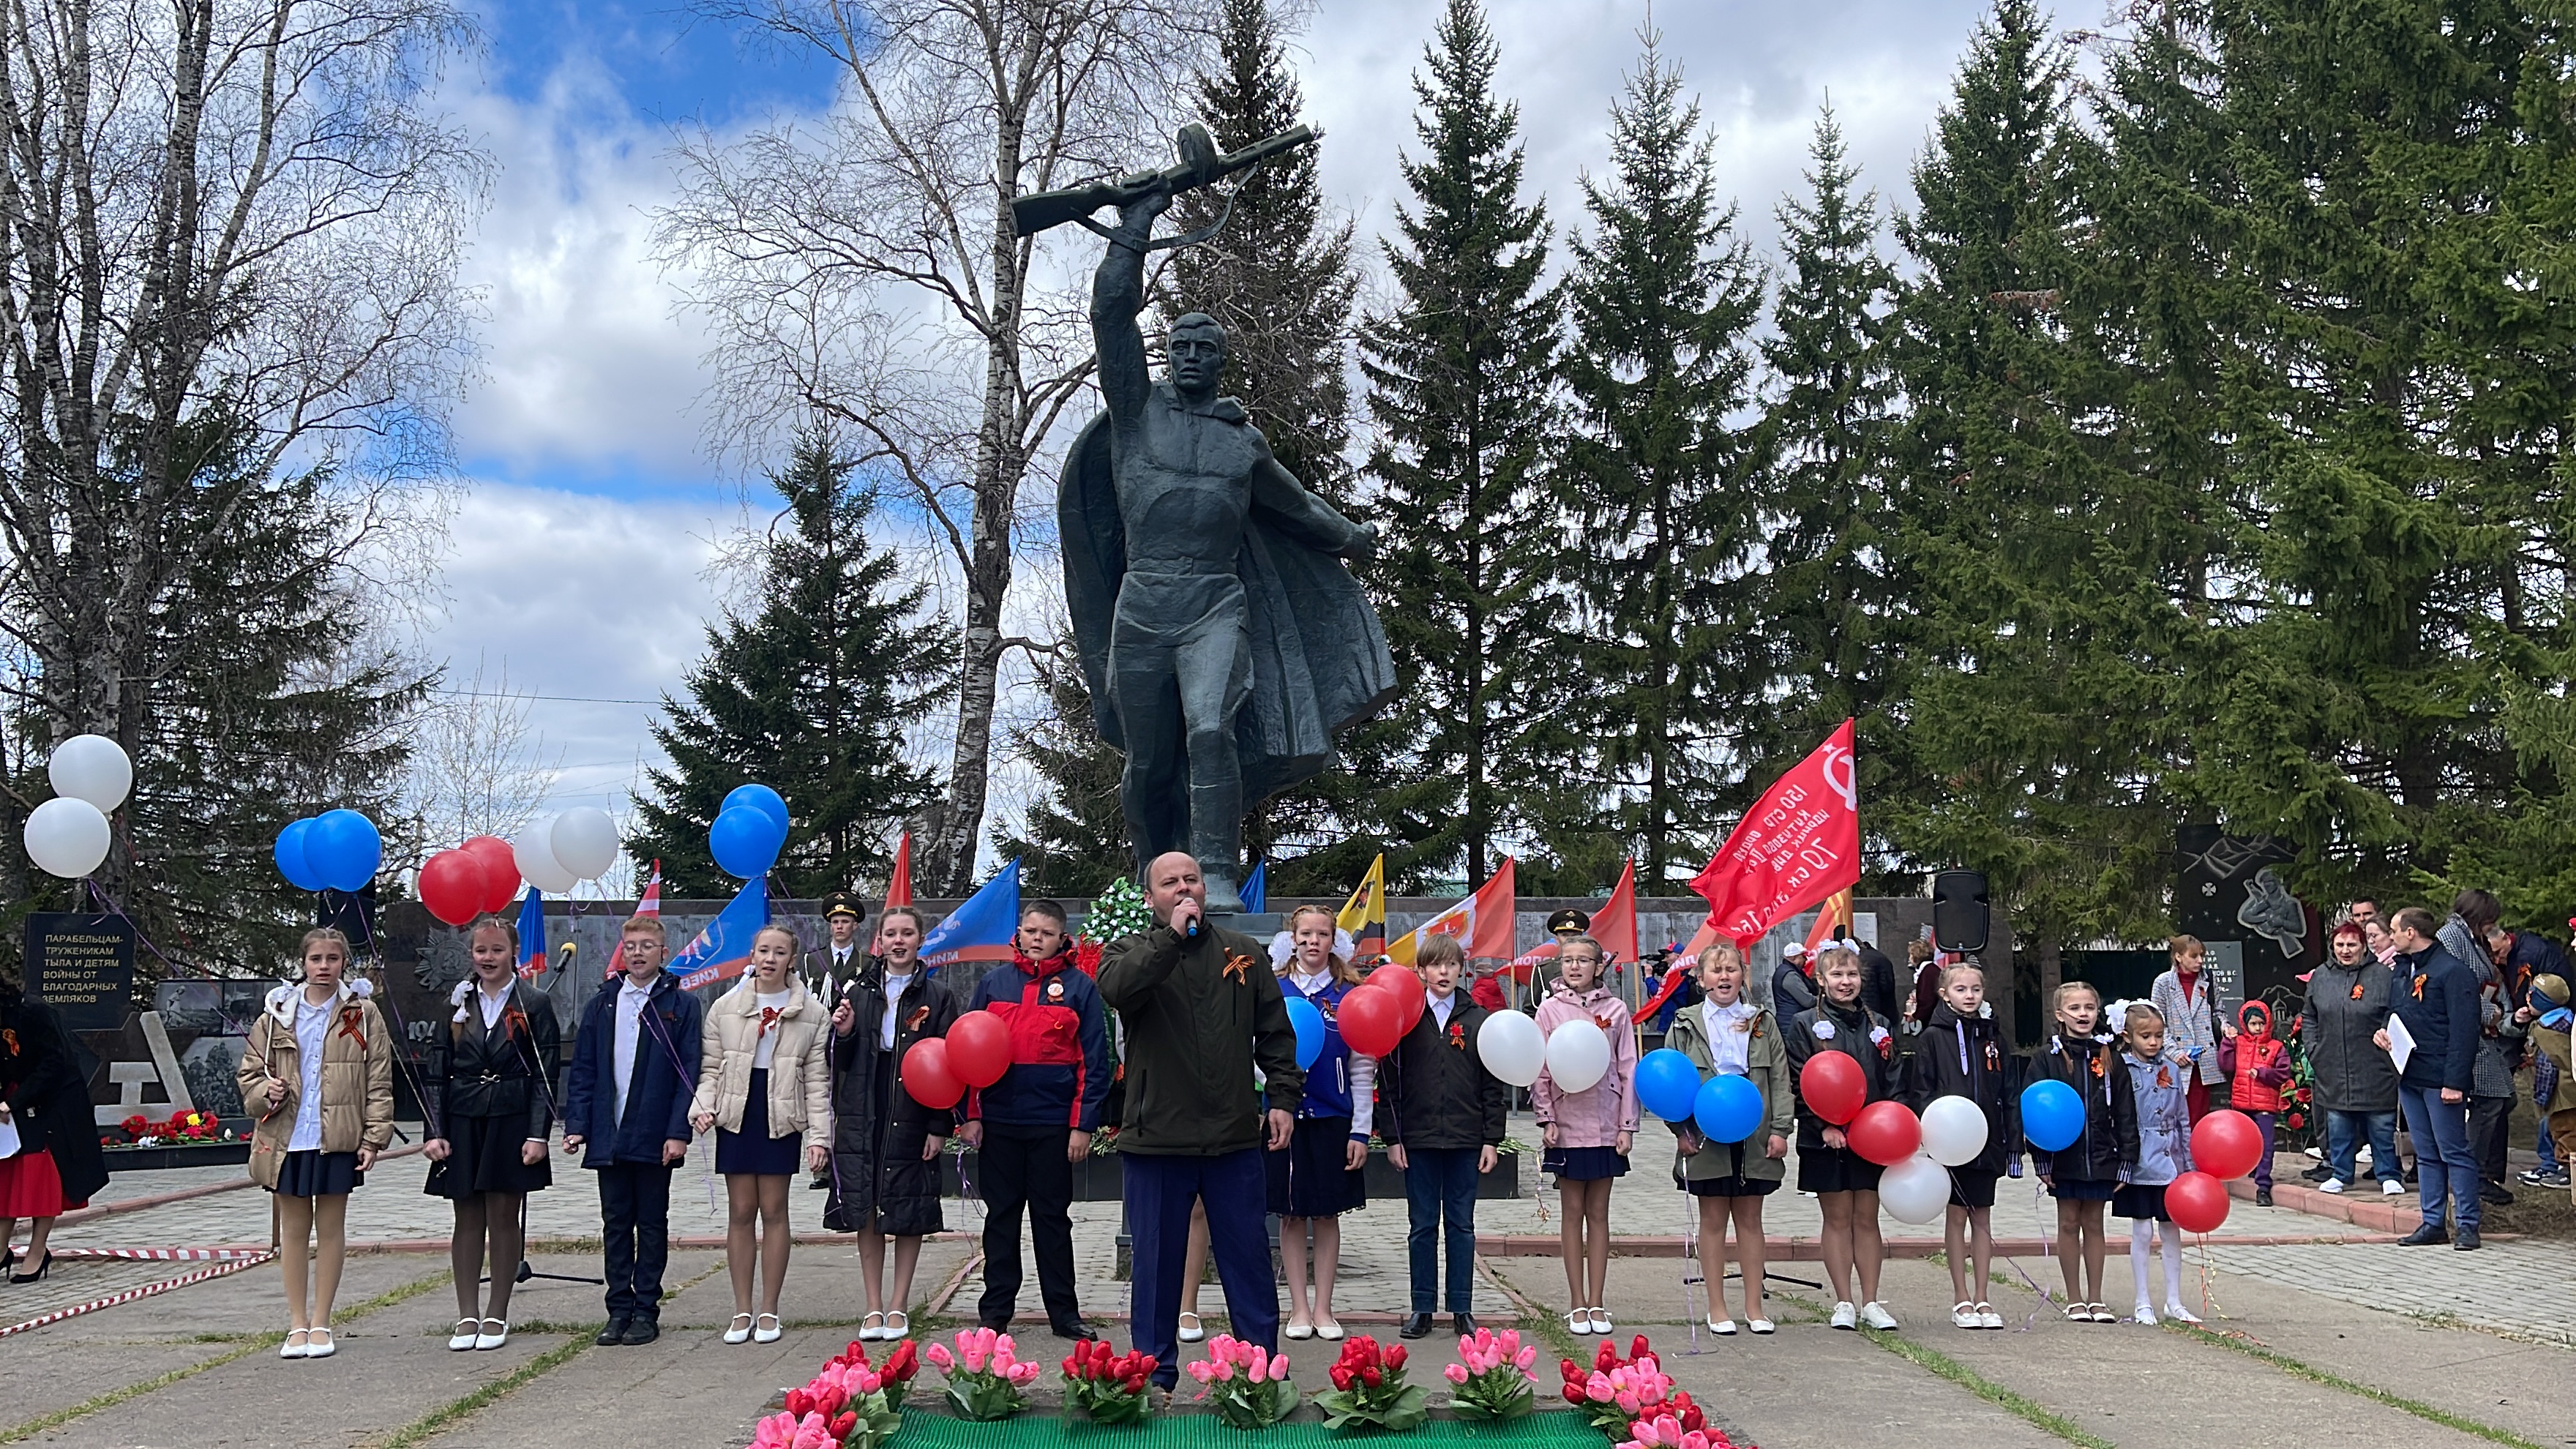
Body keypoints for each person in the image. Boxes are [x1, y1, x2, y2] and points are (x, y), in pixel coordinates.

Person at [1097, 851, 1303, 1391]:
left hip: (1233, 1139)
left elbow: (1277, 1034)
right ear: (1151, 898)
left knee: (1248, 1263)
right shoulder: (1129, 951)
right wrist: (1170, 938)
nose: (1184, 889)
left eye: (1192, 879)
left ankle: (1258, 1375)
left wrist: (1282, 1098)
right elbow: (1119, 991)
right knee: (1158, 1268)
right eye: (1170, 883)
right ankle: (1154, 1375)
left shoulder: (1243, 952)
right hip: (1157, 1141)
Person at [961, 899, 1112, 1341]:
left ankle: (1064, 1314)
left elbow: (1094, 1063)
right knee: (1001, 1218)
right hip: (999, 1125)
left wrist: (1082, 1125)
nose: (1037, 940)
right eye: (1030, 931)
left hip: (1052, 1126)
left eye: (1046, 934)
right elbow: (967, 1053)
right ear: (1019, 933)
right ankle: (995, 1313)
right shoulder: (993, 984)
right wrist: (971, 1116)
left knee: (1052, 1219)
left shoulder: (1081, 988)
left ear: (1062, 938)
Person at [238, 927, 393, 1359]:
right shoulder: (276, 1015)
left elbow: (379, 1078)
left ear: (344, 963)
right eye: (316, 959)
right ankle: (296, 1324)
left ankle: (322, 1321)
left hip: (337, 1134)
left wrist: (373, 1137)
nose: (324, 967)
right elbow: (249, 1075)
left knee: (330, 1229)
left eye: (333, 959)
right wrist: (264, 1093)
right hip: (287, 1135)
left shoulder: (362, 1014)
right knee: (292, 1231)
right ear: (302, 963)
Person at [561, 914, 701, 1347]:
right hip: (610, 1131)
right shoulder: (604, 1001)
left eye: (647, 945)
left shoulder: (680, 1005)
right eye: (631, 945)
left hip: (655, 1134)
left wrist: (678, 1132)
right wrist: (578, 1123)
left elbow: (688, 1073)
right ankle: (618, 1309)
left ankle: (646, 1310)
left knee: (651, 1222)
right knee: (615, 1222)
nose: (638, 952)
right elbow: (584, 1068)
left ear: (664, 953)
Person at [425, 916, 561, 1353]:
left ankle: (497, 1313)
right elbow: (436, 1072)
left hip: (512, 1118)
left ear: (513, 953)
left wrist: (538, 1134)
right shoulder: (456, 1002)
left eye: (497, 950)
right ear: (472, 954)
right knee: (466, 1215)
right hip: (463, 1120)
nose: (488, 958)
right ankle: (467, 1314)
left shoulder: (534, 1002)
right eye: (481, 950)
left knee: (503, 1215)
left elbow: (545, 1075)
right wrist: (435, 1130)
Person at [694, 924, 834, 1343]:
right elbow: (710, 1068)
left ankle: (770, 1310)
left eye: (779, 952)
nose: (770, 959)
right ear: (751, 956)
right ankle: (741, 1310)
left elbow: (817, 1081)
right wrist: (703, 1107)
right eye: (762, 951)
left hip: (780, 1111)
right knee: (741, 1210)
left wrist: (819, 1138)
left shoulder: (813, 1013)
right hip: (740, 1109)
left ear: (792, 958)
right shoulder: (725, 1007)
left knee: (774, 1209)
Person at [826, 905, 955, 1342]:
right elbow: (837, 1063)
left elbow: (950, 1065)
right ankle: (873, 1306)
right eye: (891, 934)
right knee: (866, 1204)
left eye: (907, 933)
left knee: (907, 1205)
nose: (899, 942)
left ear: (921, 940)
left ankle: (899, 1305)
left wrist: (939, 1126)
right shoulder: (858, 991)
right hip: (866, 1106)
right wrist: (842, 1033)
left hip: (913, 1108)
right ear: (878, 942)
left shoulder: (937, 996)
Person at [1379, 933, 1508, 1341]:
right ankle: (1421, 1307)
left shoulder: (1477, 1019)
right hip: (1417, 1139)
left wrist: (1492, 1138)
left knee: (1461, 1225)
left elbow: (1493, 1084)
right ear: (1421, 971)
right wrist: (1393, 1137)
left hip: (1465, 1139)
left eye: (1451, 965)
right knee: (1421, 1226)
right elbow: (1390, 1081)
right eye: (1435, 965)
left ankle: (1462, 1307)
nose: (1443, 972)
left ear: (1461, 970)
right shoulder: (1406, 1017)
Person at [1665, 942, 1788, 1335]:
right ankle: (1717, 1307)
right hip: (1704, 1134)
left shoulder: (1762, 1021)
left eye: (1732, 969)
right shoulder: (1685, 1024)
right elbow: (1670, 1083)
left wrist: (1780, 1129)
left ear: (1743, 976)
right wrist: (1681, 1131)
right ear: (1701, 980)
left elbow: (1780, 1080)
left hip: (1753, 1133)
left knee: (1751, 1220)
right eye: (1715, 971)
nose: (1724, 976)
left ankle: (1755, 1306)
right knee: (1714, 1219)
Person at [1262, 904, 1371, 1341]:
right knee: (1290, 1216)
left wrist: (1360, 1129)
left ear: (1334, 941)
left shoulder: (1350, 993)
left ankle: (1325, 1308)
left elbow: (1363, 1066)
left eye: (1321, 934)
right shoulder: (1274, 989)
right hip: (1282, 1118)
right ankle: (1298, 1309)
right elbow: (1257, 1052)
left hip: (1333, 1118)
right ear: (1292, 939)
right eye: (1304, 934)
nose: (1312, 942)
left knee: (1326, 1214)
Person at [1783, 943, 1898, 1331]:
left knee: (1867, 1218)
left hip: (1873, 1136)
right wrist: (1823, 1126)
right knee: (1837, 1218)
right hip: (1825, 1137)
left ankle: (1871, 1301)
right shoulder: (1803, 1024)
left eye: (1852, 975)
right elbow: (1799, 1081)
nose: (1845, 982)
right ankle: (1844, 1301)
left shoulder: (1878, 1022)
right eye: (1837, 975)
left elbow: (1893, 1079)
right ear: (1820, 980)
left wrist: (1892, 1125)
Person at [1903, 961, 2020, 1330]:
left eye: (1975, 990)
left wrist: (2012, 1143)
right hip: (1949, 1143)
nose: (1969, 996)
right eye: (1961, 990)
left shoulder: (1994, 1036)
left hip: (1986, 1142)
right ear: (1944, 994)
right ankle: (1961, 1298)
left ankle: (1983, 1297)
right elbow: (1921, 1089)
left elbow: (2009, 1092)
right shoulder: (1933, 1037)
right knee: (1956, 1217)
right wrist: (1930, 1134)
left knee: (1982, 1218)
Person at [1530, 935, 1636, 1336]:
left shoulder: (1616, 1010)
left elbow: (1628, 1068)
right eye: (1568, 960)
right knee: (1572, 1213)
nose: (1575, 967)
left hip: (1606, 1125)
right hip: (1567, 1125)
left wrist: (1627, 1125)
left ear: (1599, 966)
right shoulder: (1550, 1010)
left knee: (1599, 1214)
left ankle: (1598, 1302)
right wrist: (1546, 1118)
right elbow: (1539, 1067)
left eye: (1584, 960)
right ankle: (1576, 1303)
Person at [0, 974, 111, 1287]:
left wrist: (14, 1102)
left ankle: (37, 1250)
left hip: (54, 1102)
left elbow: (53, 1063)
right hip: (16, 1097)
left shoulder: (34, 1013)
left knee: (41, 1176)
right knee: (8, 1174)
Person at [2384, 907, 2484, 1250]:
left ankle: (2468, 1224)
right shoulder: (2402, 970)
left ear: (2411, 932)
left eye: (2395, 930)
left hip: (2441, 1077)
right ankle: (2432, 1222)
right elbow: (2394, 1013)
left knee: (2453, 1150)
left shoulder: (2452, 972)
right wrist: (2383, 1032)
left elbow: (2465, 1030)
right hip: (2410, 1074)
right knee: (2425, 1153)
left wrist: (2455, 1082)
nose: (2391, 937)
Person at [2029, 982, 2129, 1323]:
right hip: (2063, 1157)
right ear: (2060, 1015)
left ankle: (2097, 1299)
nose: (2083, 1014)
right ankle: (2074, 1299)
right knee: (2069, 1223)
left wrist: (2126, 1160)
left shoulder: (2110, 1056)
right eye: (2074, 1009)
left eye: (2089, 1008)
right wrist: (2041, 1158)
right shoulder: (2046, 1058)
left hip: (2102, 1155)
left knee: (2095, 1224)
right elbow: (2034, 1111)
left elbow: (2127, 1112)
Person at [2299, 921, 2404, 1197]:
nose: (2346, 951)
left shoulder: (2383, 976)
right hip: (2331, 1061)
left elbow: (2395, 1012)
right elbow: (2309, 1015)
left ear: (2363, 947)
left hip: (2374, 1063)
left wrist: (2387, 1040)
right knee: (2337, 1122)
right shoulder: (2321, 976)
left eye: (2352, 945)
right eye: (2340, 945)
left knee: (2381, 1123)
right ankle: (2341, 1173)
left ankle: (2389, 1174)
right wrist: (2313, 1048)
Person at [2113, 1001, 2200, 1325]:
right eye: (2146, 1036)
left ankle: (2174, 1300)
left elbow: (2182, 1118)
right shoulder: (2121, 1068)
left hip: (2172, 1160)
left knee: (2172, 1230)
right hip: (2139, 1161)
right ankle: (2142, 1300)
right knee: (2141, 1230)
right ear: (2128, 1036)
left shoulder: (2173, 1069)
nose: (2153, 1042)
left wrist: (2189, 1165)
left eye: (2159, 1036)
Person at [2439, 891, 2517, 1206]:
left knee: (2503, 1098)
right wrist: (2490, 1014)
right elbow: (2457, 988)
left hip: (2482, 1029)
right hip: (2468, 1030)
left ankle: (2474, 1170)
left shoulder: (2468, 937)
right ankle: (2470, 1173)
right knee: (2491, 1101)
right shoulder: (2452, 938)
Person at [2486, 918, 2572, 1188]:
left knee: (2564, 1129)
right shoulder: (2543, 1022)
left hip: (2560, 1094)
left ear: (2505, 939)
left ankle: (2562, 1168)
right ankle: (2551, 1164)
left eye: (2497, 952)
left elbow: (2551, 1066)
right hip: (2554, 1090)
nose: (2496, 958)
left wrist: (2542, 1096)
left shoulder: (2533, 954)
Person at [803, 891, 869, 1188]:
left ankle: (841, 1165)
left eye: (846, 921)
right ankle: (822, 1168)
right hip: (819, 1038)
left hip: (849, 1040)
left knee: (845, 1101)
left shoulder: (867, 962)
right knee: (820, 1100)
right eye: (836, 922)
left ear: (855, 926)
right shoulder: (811, 961)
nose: (840, 927)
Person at [2217, 1000, 2291, 1205]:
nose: (2257, 1028)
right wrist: (2227, 1043)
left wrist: (2264, 1074)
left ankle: (2263, 1186)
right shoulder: (2239, 1043)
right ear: (2245, 1024)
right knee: (2245, 1144)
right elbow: (2226, 1065)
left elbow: (2283, 1073)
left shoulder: (2276, 1047)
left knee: (2266, 1145)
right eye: (2253, 1024)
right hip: (2242, 1104)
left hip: (2265, 1105)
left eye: (2261, 1023)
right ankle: (2250, 1170)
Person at [2150, 935, 2231, 1122]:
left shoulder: (2208, 979)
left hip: (2203, 1059)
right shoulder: (2163, 983)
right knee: (2175, 1114)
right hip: (2174, 1059)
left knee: (2201, 1115)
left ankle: (2197, 1150)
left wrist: (2225, 1027)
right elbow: (2157, 1022)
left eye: (2202, 956)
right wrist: (2174, 1052)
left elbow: (2219, 1011)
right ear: (2179, 957)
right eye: (2194, 956)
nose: (2200, 961)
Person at [1770, 941, 1815, 1019]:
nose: (1806, 959)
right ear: (1794, 958)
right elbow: (1808, 1001)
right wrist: (1826, 999)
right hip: (1790, 1023)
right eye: (1803, 956)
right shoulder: (1790, 975)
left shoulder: (1785, 971)